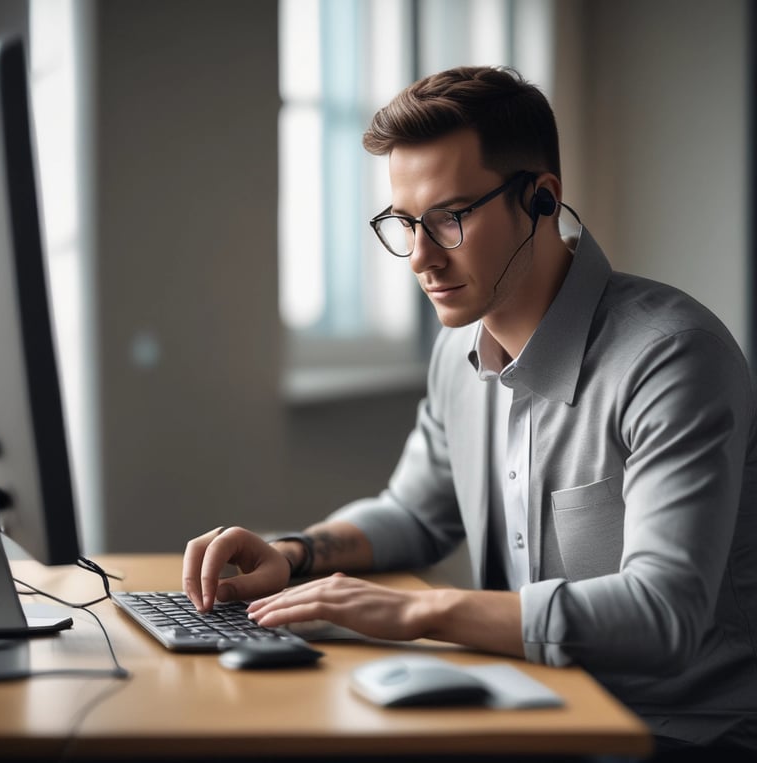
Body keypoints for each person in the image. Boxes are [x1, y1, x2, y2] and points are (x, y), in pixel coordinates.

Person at [183, 66, 757, 754]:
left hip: (679, 733)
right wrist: (294, 551)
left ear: (542, 199)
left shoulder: (671, 358)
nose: (420, 257)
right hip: (535, 710)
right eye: (404, 223)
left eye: (450, 218)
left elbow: (665, 614)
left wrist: (424, 609)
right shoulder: (458, 353)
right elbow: (415, 513)